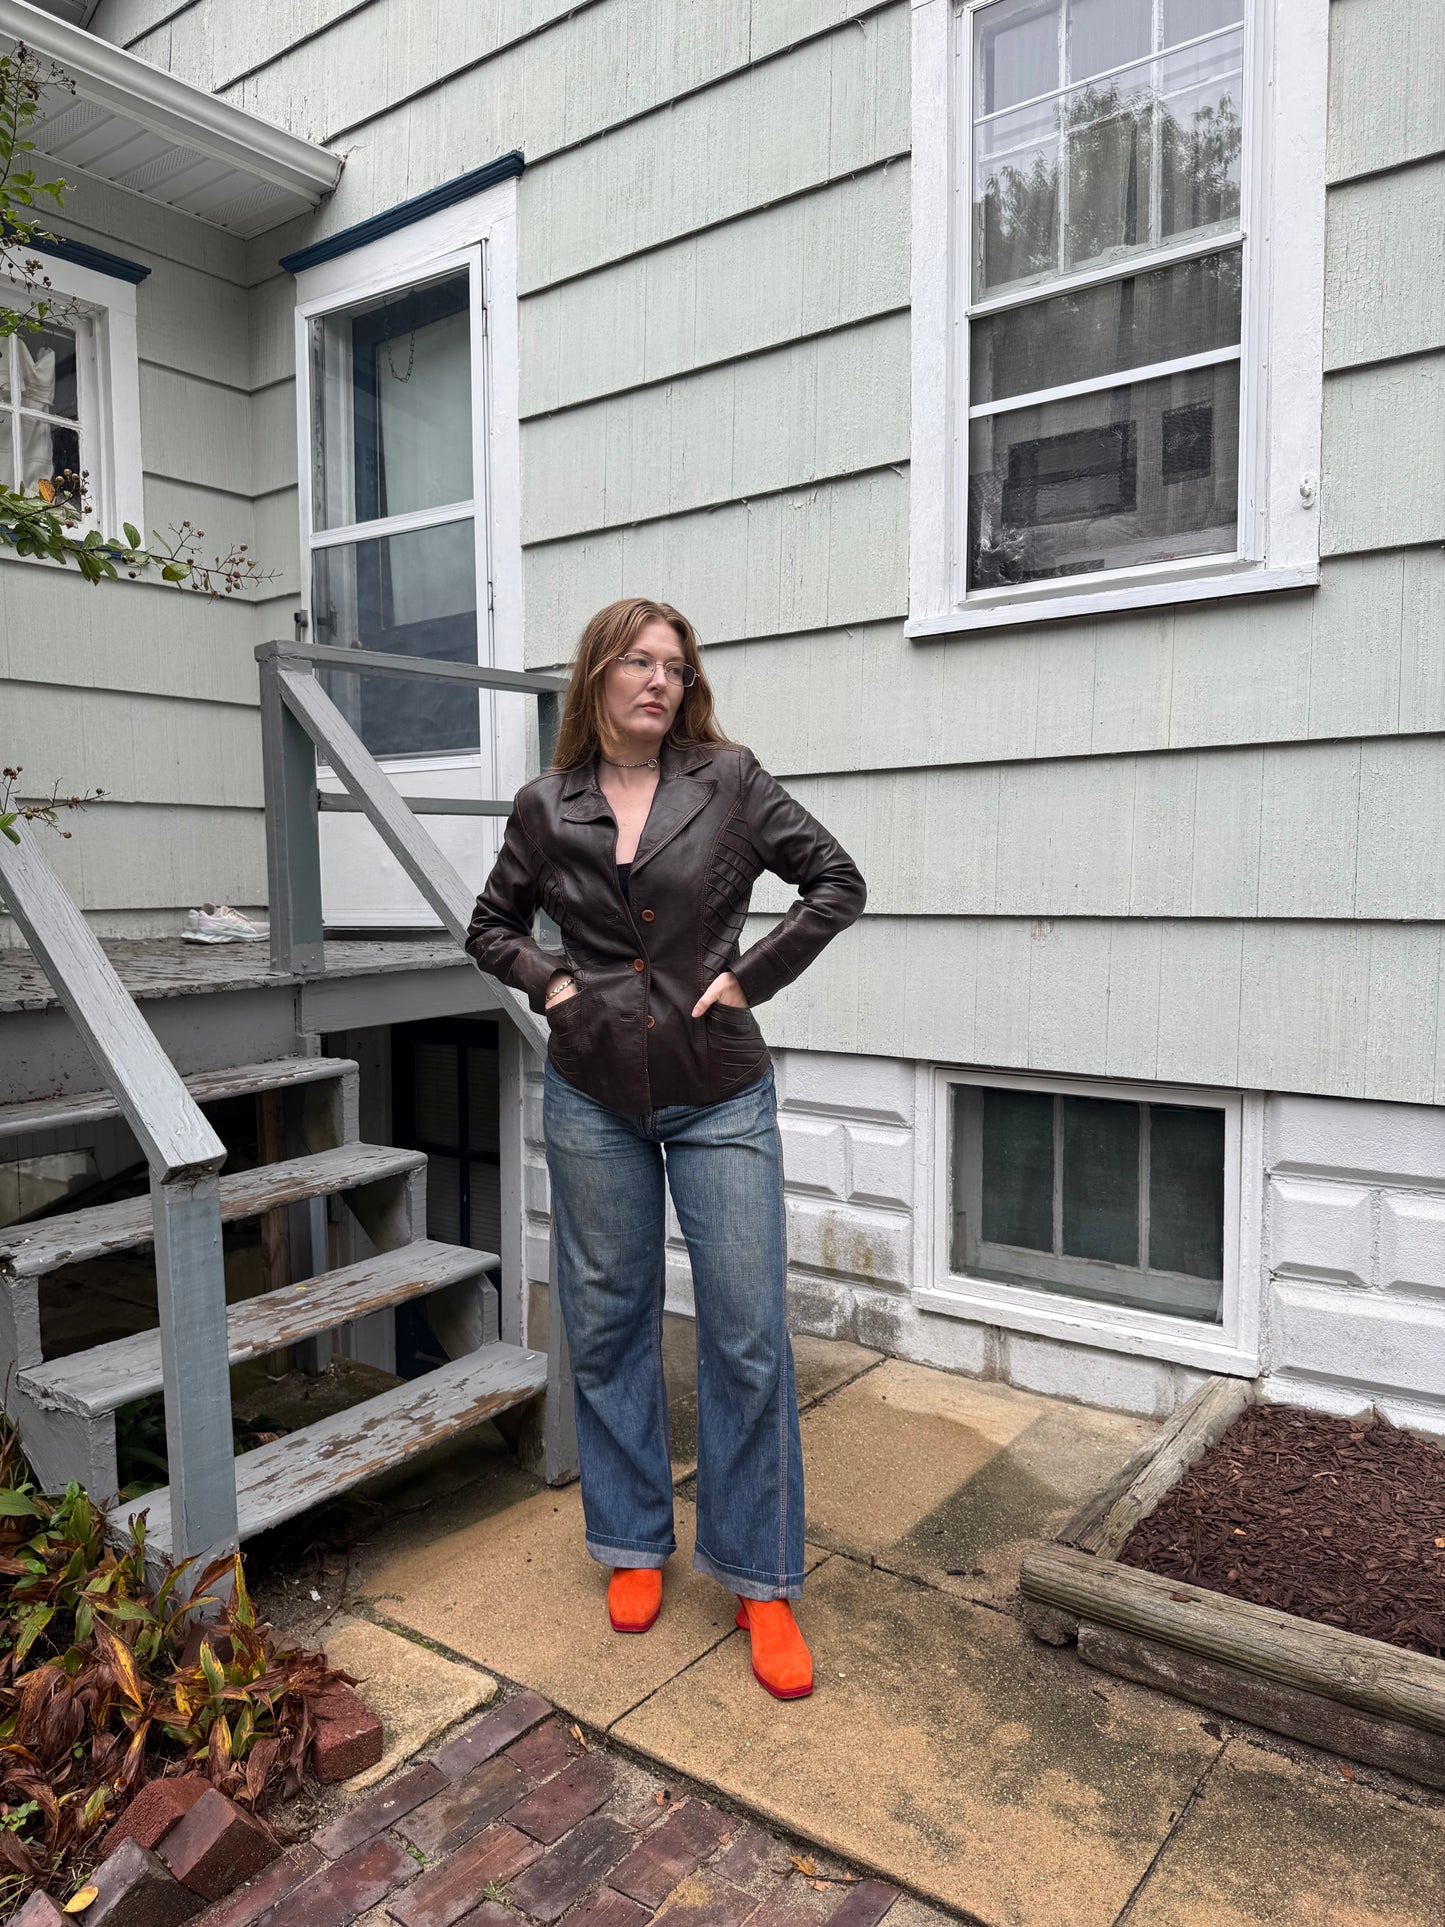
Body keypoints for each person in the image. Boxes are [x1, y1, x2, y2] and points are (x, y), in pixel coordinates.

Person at [465, 597, 865, 1700]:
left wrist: (749, 975)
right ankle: (632, 1543)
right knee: (604, 1321)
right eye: (637, 662)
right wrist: (547, 980)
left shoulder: (728, 781)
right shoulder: (546, 806)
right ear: (595, 675)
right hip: (591, 1092)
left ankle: (758, 1576)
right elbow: (489, 923)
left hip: (717, 1092)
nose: (658, 681)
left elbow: (835, 881)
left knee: (744, 1333)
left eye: (675, 668)